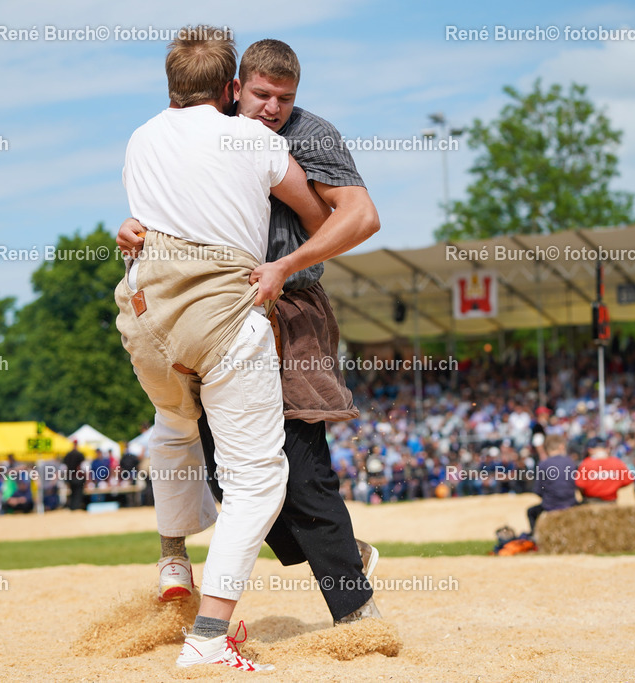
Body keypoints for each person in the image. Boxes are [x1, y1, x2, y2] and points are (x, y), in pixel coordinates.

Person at [118, 38, 382, 627]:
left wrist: (284, 266)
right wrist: (134, 227)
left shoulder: (308, 134)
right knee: (227, 471)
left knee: (301, 462)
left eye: (284, 98)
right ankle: (342, 556)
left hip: (291, 308)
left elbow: (359, 216)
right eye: (261, 94)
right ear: (235, 89)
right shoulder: (210, 131)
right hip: (219, 314)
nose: (273, 108)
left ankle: (355, 608)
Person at [527, 433, 577, 534]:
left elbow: (537, 490)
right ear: (561, 446)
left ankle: (536, 536)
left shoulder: (543, 464)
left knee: (531, 512)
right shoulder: (570, 462)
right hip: (571, 504)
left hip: (550, 506)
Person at [575, 437, 634, 503]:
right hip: (611, 502)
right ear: (607, 449)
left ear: (590, 450)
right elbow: (629, 480)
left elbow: (580, 485)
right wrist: (614, 488)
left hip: (591, 501)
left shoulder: (586, 464)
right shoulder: (617, 463)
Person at [63, 441, 87, 511]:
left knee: (72, 492)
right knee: (78, 493)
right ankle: (76, 507)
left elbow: (64, 468)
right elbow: (83, 467)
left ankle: (72, 507)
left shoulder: (67, 455)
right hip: (78, 477)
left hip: (70, 477)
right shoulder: (80, 454)